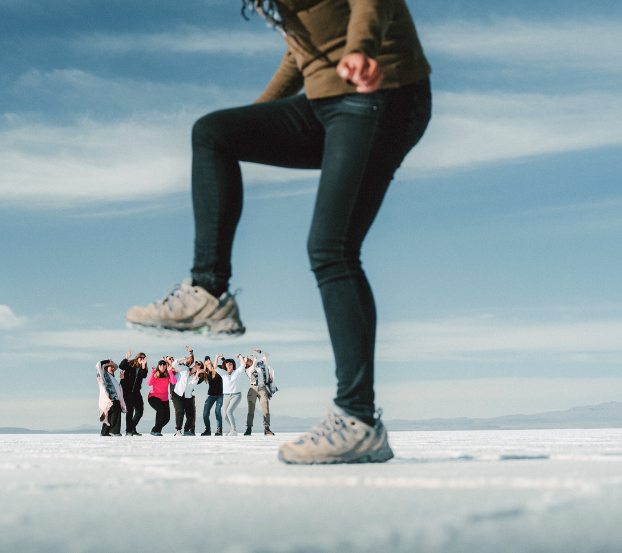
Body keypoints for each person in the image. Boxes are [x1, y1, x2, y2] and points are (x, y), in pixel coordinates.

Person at [124, 0, 429, 463]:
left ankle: (358, 418)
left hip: (381, 90)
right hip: (327, 98)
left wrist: (362, 47)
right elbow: (301, 50)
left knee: (332, 249)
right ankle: (209, 292)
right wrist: (257, 121)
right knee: (215, 132)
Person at [245, 348, 276, 436]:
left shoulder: (260, 363)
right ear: (245, 364)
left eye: (249, 359)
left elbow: (267, 355)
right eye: (247, 360)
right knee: (251, 410)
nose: (249, 360)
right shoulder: (248, 370)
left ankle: (267, 428)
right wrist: (255, 359)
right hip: (253, 388)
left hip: (262, 388)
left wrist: (260, 352)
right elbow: (252, 369)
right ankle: (249, 428)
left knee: (265, 409)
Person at [118, 350, 148, 436]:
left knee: (140, 411)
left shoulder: (143, 368)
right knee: (130, 410)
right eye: (140, 358)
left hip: (136, 392)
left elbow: (143, 375)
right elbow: (121, 366)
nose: (142, 359)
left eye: (144, 358)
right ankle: (129, 431)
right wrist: (126, 358)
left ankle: (131, 428)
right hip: (127, 391)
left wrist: (143, 365)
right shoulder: (130, 365)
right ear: (137, 358)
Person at [171, 346, 200, 436]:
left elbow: (192, 384)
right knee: (180, 411)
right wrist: (182, 359)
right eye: (196, 363)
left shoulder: (196, 377)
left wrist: (197, 374)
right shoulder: (184, 369)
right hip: (177, 393)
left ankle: (187, 430)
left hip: (187, 396)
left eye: (199, 364)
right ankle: (178, 430)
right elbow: (174, 365)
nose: (196, 364)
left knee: (191, 414)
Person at [145, 359, 178, 436]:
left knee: (167, 418)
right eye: (161, 365)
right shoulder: (155, 374)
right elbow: (149, 383)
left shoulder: (167, 375)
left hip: (164, 399)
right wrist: (152, 373)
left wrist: (170, 371)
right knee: (160, 410)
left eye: (164, 365)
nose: (162, 366)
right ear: (158, 366)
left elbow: (174, 382)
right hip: (153, 397)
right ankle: (156, 431)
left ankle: (155, 429)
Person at [218, 353, 246, 435]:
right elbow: (215, 367)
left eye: (231, 363)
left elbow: (243, 364)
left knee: (229, 411)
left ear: (233, 365)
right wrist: (218, 357)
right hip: (226, 395)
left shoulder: (237, 372)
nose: (229, 364)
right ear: (225, 365)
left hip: (236, 394)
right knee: (224, 415)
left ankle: (234, 430)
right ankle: (232, 430)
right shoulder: (224, 373)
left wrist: (240, 356)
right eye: (228, 363)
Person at [97, 360, 125, 436]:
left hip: (113, 400)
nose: (113, 368)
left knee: (109, 416)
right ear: (106, 368)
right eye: (111, 367)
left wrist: (122, 380)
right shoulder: (104, 375)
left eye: (113, 367)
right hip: (109, 399)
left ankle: (105, 432)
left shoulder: (113, 379)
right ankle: (114, 431)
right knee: (114, 412)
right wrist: (106, 361)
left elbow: (119, 389)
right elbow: (99, 366)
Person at [200, 355, 224, 436]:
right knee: (205, 414)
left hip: (220, 395)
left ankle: (219, 430)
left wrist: (218, 357)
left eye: (208, 359)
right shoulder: (205, 373)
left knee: (217, 411)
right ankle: (207, 430)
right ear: (205, 363)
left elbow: (225, 364)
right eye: (205, 360)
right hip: (210, 395)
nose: (207, 360)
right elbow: (198, 381)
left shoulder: (218, 369)